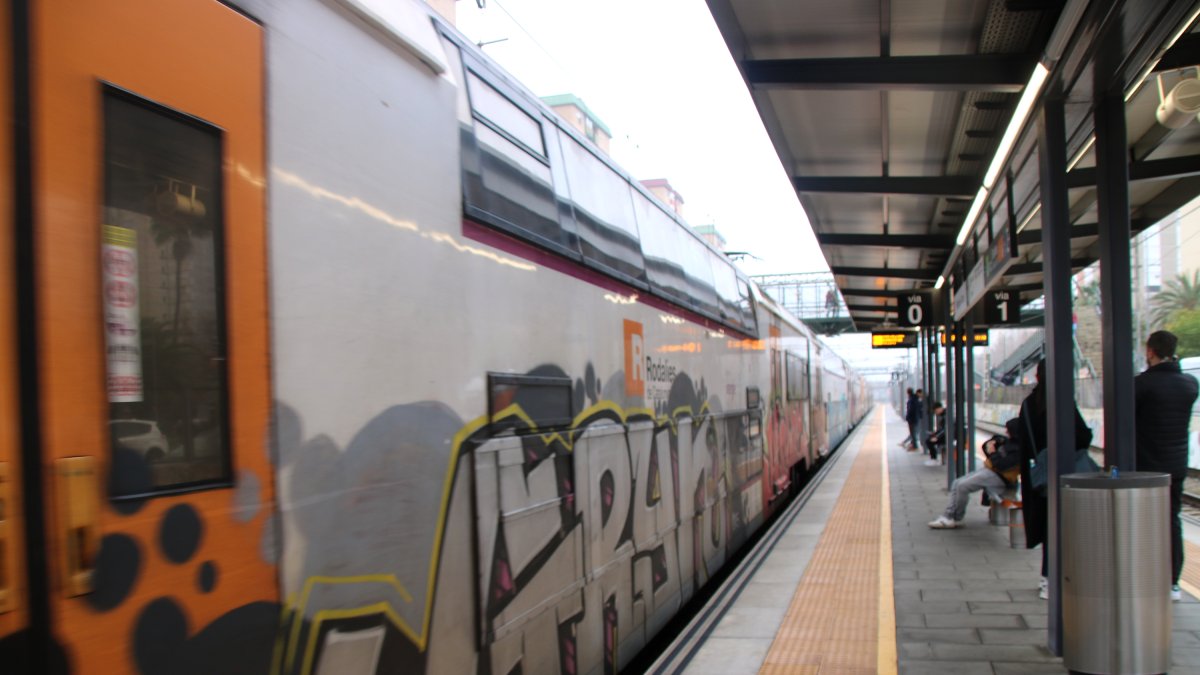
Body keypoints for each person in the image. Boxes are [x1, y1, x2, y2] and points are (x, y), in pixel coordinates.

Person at [1015, 359, 1093, 600]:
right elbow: (1083, 436)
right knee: (1068, 526)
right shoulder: (1063, 403)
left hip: (1040, 479)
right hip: (1066, 475)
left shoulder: (1028, 405)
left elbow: (1023, 442)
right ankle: (1067, 574)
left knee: (1049, 527)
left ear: (1038, 377)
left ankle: (1047, 578)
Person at [1134, 330, 1199, 602]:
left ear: (1150, 352)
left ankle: (1145, 576)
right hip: (1175, 465)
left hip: (1145, 466)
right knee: (1172, 520)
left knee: (1141, 523)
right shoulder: (1190, 384)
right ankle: (1173, 583)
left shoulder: (1140, 384)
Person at [928, 421, 1022, 528]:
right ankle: (949, 516)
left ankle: (953, 517)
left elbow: (1001, 465)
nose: (1006, 432)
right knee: (957, 482)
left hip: (998, 477)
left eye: (1008, 430)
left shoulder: (1018, 448)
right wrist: (992, 447)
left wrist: (993, 453)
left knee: (962, 486)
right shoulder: (1011, 443)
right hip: (991, 472)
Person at [923, 401, 946, 466]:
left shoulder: (945, 415)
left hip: (949, 436)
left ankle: (934, 459)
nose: (936, 413)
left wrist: (936, 437)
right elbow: (943, 429)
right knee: (929, 440)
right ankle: (933, 458)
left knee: (929, 441)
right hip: (947, 435)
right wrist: (935, 434)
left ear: (939, 408)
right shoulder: (944, 415)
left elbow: (946, 429)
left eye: (936, 411)